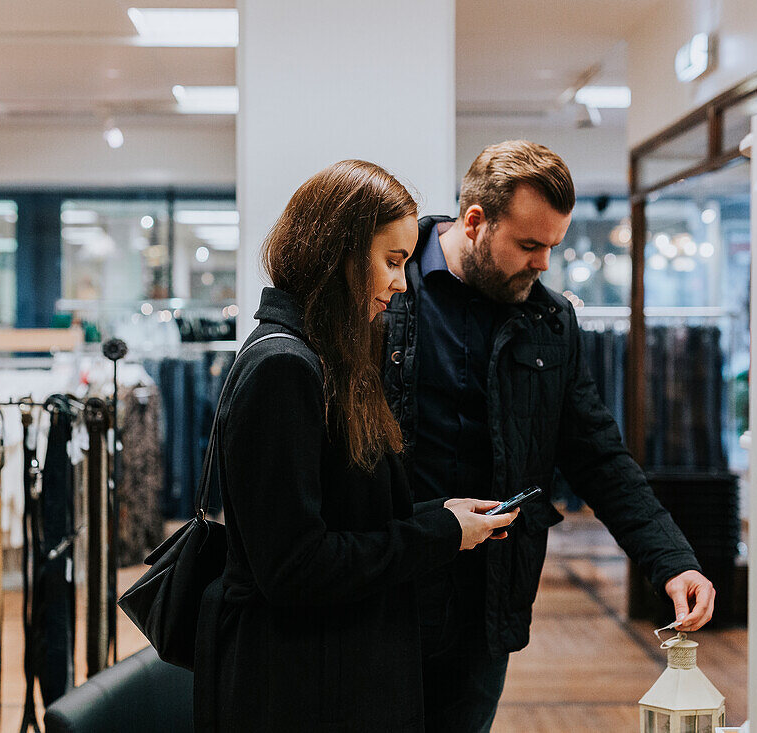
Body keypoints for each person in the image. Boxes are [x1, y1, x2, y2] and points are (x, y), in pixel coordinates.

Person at [381, 140, 715, 732]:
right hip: (384, 586)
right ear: (476, 221)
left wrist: (671, 560)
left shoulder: (550, 320)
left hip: (487, 601)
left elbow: (598, 455)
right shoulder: (388, 287)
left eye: (552, 248)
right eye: (529, 245)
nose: (543, 265)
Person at [193, 159, 519, 732]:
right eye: (392, 261)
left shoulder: (324, 358)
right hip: (299, 687)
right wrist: (437, 534)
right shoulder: (285, 368)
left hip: (327, 671)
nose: (401, 281)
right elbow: (296, 567)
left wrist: (437, 515)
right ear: (339, 255)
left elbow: (338, 520)